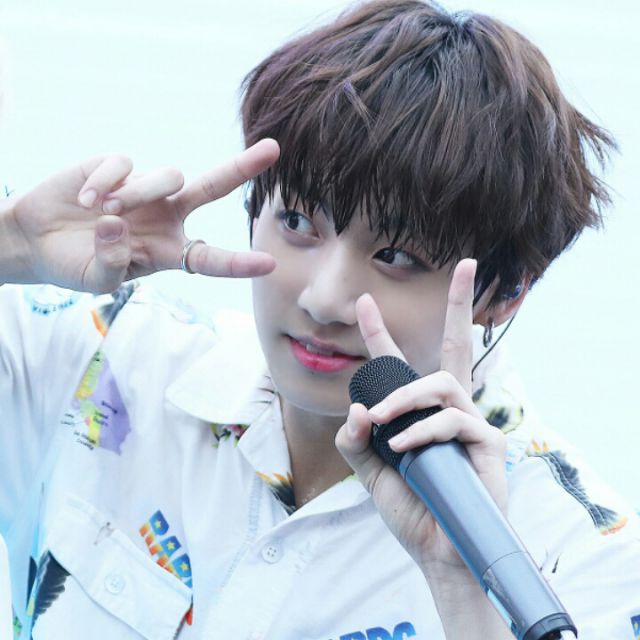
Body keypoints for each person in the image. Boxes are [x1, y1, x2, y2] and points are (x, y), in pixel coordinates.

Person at [1, 1, 638, 639]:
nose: (324, 299)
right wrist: (15, 246)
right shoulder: (102, 360)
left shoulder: (582, 557)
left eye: (396, 257)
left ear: (507, 291)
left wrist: (465, 590)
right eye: (298, 222)